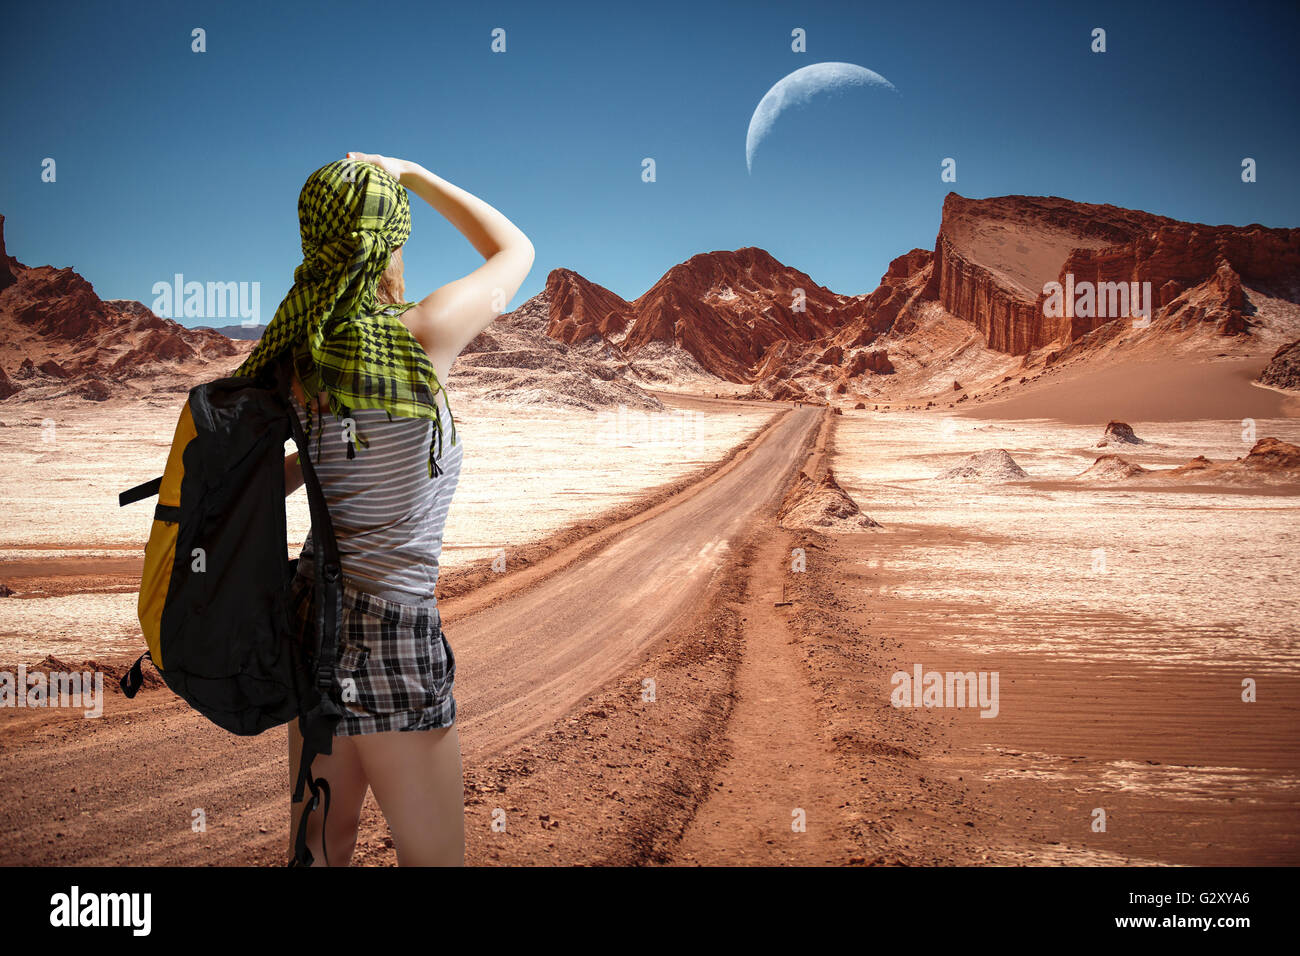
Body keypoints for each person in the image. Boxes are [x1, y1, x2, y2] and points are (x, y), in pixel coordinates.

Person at [236, 153, 533, 865]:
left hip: (314, 622)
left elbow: (280, 477)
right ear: (389, 240)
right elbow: (515, 249)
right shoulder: (425, 332)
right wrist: (417, 173)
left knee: (316, 849)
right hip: (398, 633)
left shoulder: (299, 354)